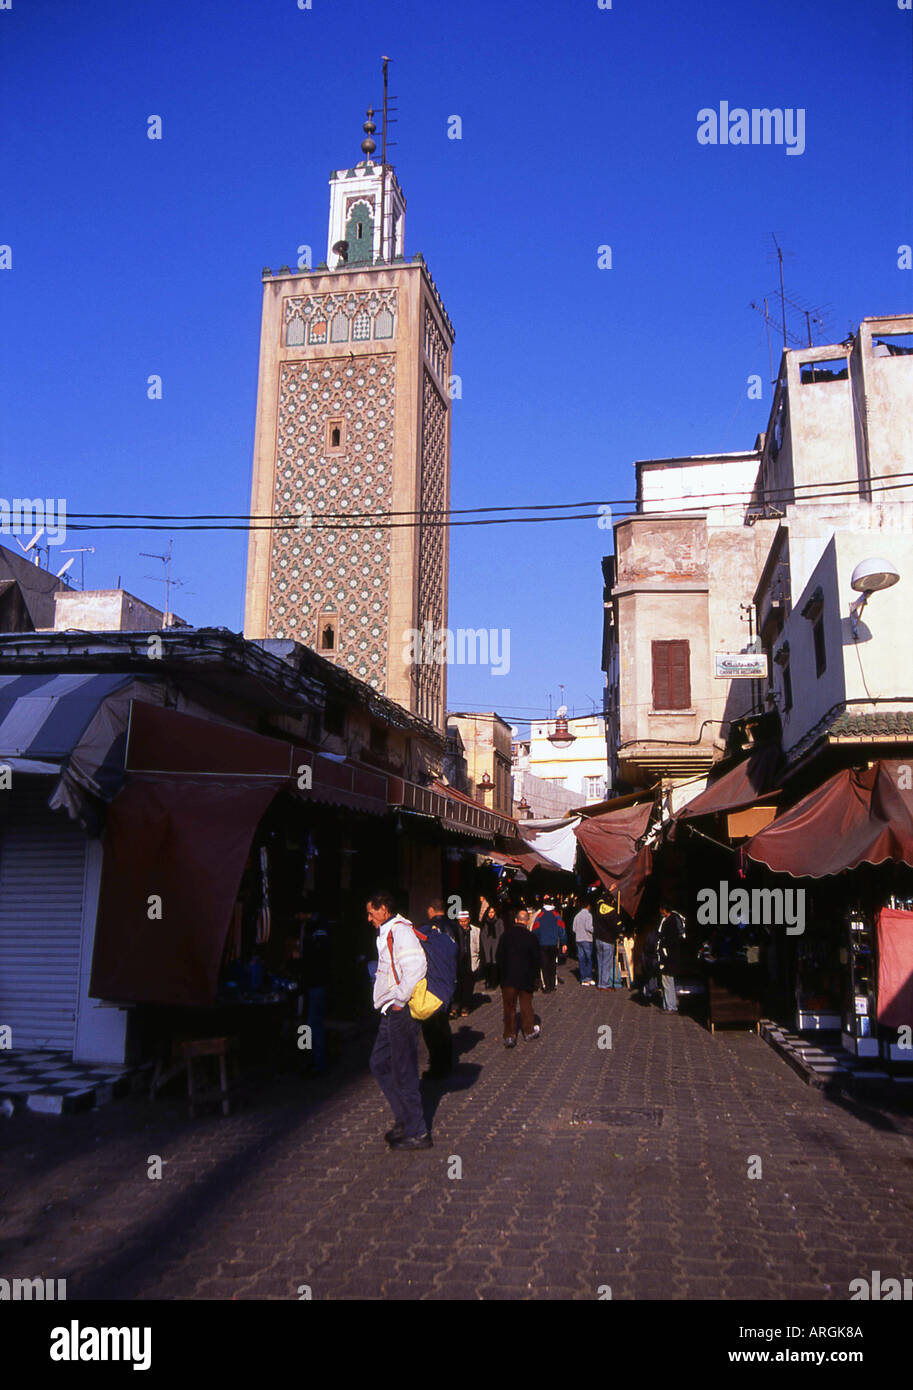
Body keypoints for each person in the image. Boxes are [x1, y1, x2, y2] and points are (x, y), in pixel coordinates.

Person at [366, 891, 432, 1150]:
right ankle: (405, 1118)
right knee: (378, 1062)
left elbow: (417, 966)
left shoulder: (400, 932)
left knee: (404, 1071)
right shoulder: (386, 932)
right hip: (389, 1011)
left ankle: (418, 1132)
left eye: (371, 912)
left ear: (384, 909)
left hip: (399, 1012)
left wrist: (399, 1001)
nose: (368, 918)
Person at [496, 908, 542, 1046]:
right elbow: (536, 960)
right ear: (527, 921)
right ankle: (528, 1031)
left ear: (516, 920)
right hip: (526, 978)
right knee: (526, 1006)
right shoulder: (532, 937)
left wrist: (501, 976)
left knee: (509, 1007)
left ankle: (509, 1035)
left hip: (508, 978)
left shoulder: (505, 936)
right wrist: (535, 977)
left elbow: (499, 957)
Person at [421, 901, 454, 1079]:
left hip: (433, 981)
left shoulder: (427, 929)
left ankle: (437, 1065)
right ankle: (446, 1062)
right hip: (450, 980)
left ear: (431, 909)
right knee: (443, 1023)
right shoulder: (454, 927)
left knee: (432, 1026)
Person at [530, 900, 567, 991]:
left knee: (544, 965)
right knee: (553, 965)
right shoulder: (557, 915)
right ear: (552, 905)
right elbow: (562, 930)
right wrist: (564, 942)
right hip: (554, 943)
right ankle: (553, 985)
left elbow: (535, 930)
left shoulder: (540, 916)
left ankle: (547, 986)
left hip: (542, 944)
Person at [657, 904, 685, 1014]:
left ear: (664, 909)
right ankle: (669, 1005)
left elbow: (668, 941)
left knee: (667, 981)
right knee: (669, 981)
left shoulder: (669, 922)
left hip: (668, 957)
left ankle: (670, 1006)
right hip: (672, 956)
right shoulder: (675, 918)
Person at [593, 891, 622, 990]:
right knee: (606, 963)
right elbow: (618, 927)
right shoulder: (613, 912)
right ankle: (604, 984)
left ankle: (600, 983)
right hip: (608, 940)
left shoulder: (598, 907)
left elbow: (600, 899)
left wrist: (608, 890)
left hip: (598, 939)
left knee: (600, 961)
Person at [453, 910, 477, 1016]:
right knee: (457, 985)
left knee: (468, 985)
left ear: (469, 920)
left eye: (465, 921)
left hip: (470, 960)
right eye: (460, 921)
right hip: (458, 961)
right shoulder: (454, 931)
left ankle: (465, 1007)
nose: (463, 923)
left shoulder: (475, 931)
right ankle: (455, 1007)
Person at [479, 904, 505, 991]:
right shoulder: (485, 921)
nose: (491, 914)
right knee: (487, 963)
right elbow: (482, 933)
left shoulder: (499, 921)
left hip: (496, 943)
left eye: (492, 912)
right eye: (489, 912)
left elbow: (501, 933)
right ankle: (488, 981)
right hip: (487, 944)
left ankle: (494, 982)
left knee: (494, 963)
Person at [572, 898, 595, 986]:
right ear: (588, 906)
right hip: (587, 939)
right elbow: (589, 927)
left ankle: (583, 978)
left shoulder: (577, 916)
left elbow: (574, 929)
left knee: (581, 959)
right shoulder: (588, 915)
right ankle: (588, 977)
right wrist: (595, 930)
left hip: (578, 939)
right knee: (588, 959)